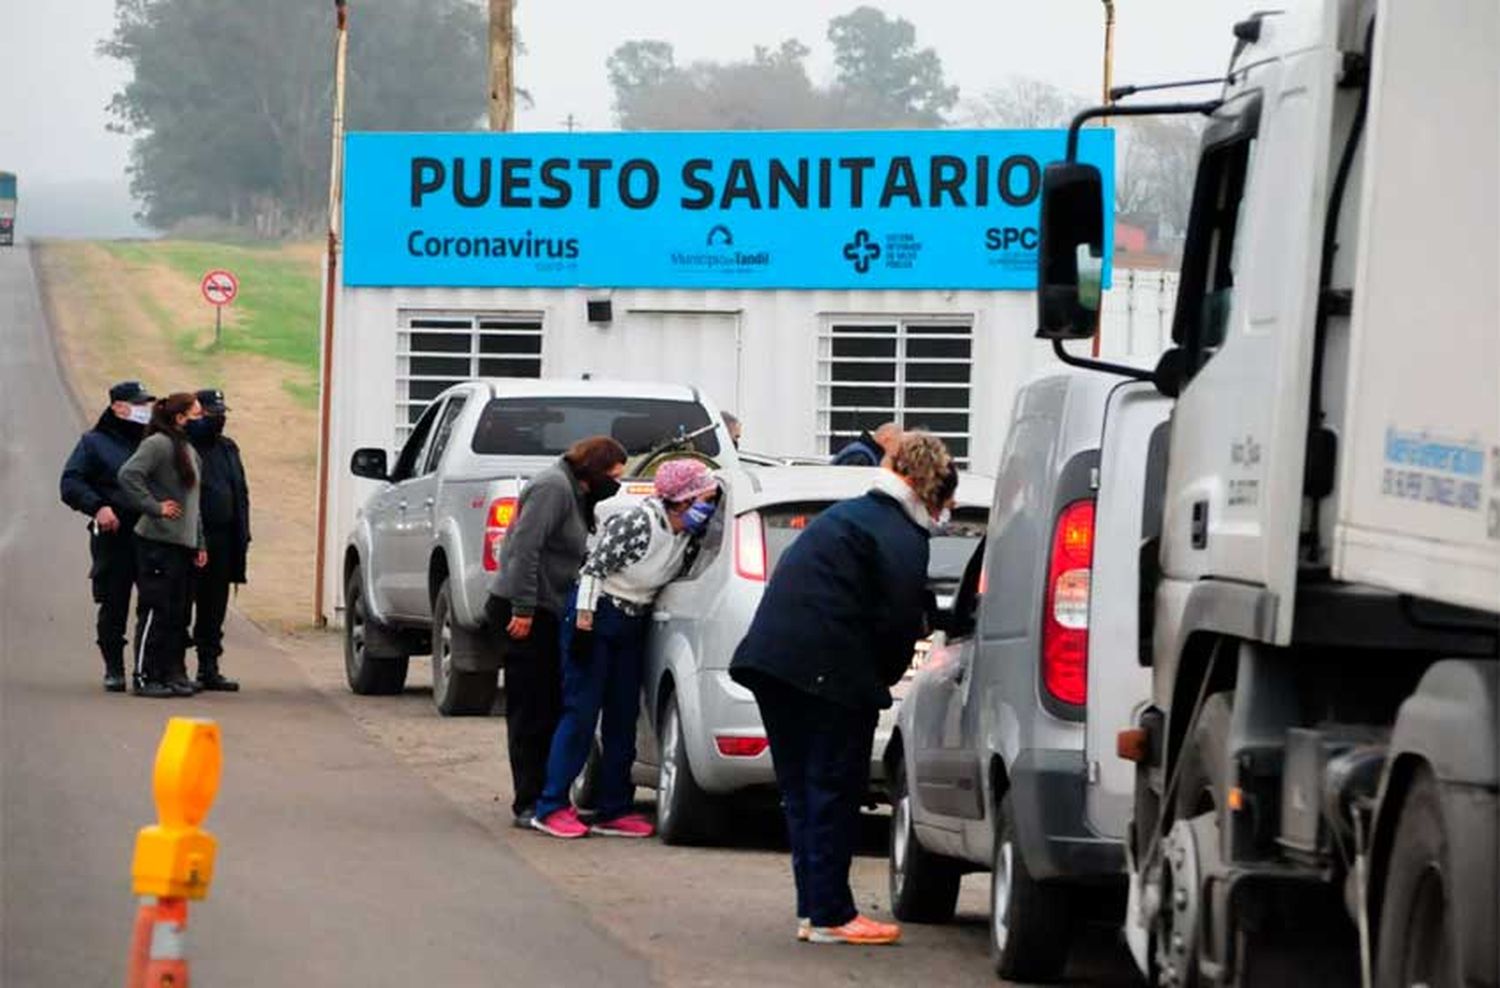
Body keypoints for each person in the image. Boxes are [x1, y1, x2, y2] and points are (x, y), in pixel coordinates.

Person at [730, 432, 954, 946]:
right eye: (948, 498)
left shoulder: (852, 516)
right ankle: (832, 913)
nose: (949, 511)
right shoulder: (899, 532)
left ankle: (815, 909)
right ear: (931, 488)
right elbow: (897, 619)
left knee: (803, 793)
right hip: (825, 671)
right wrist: (886, 674)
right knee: (832, 790)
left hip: (772, 661)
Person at [531, 459, 721, 840]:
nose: (708, 507)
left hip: (633, 621)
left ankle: (614, 807)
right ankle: (551, 805)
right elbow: (593, 570)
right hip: (597, 615)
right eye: (703, 499)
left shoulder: (688, 535)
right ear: (680, 501)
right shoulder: (638, 524)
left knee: (623, 715)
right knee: (581, 713)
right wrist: (584, 623)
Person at [487, 436, 628, 827]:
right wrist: (524, 608)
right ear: (593, 470)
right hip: (526, 610)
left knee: (552, 703)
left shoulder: (577, 492)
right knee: (531, 709)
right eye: (613, 475)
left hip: (551, 609)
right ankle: (528, 801)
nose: (616, 482)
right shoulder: (552, 488)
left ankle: (550, 796)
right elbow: (524, 549)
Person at [59, 380, 156, 692]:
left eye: (146, 405)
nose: (144, 410)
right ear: (117, 407)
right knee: (114, 601)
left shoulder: (153, 441)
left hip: (151, 534)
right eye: (138, 404)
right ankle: (114, 667)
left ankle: (150, 669)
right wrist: (97, 506)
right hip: (114, 533)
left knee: (155, 601)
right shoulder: (94, 443)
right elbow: (71, 482)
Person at [116, 393, 209, 698]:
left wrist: (199, 542)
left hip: (182, 544)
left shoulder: (188, 449)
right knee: (156, 610)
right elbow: (129, 475)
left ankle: (169, 674)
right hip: (157, 542)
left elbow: (193, 502)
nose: (202, 420)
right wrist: (154, 506)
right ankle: (144, 676)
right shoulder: (157, 444)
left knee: (176, 614)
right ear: (180, 418)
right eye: (196, 415)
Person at [185, 388, 249, 691]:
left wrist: (242, 533)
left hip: (223, 539)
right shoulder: (183, 446)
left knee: (214, 607)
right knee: (182, 603)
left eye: (222, 413)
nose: (219, 418)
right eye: (212, 413)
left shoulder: (228, 448)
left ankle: (208, 667)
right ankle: (174, 667)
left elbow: (241, 493)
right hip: (189, 538)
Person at [829, 421, 900, 467]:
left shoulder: (865, 452)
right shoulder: (860, 456)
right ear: (887, 440)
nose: (898, 449)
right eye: (897, 443)